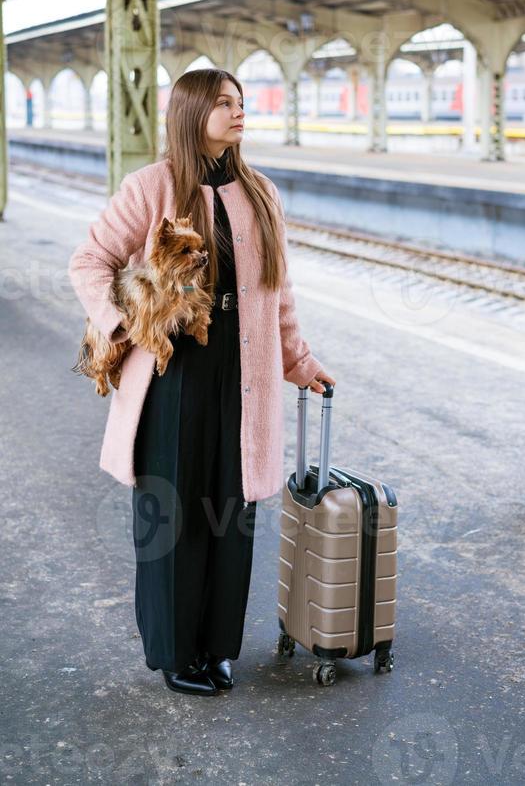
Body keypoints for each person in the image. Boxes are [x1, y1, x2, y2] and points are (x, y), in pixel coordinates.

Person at [68, 68, 336, 696]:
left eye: (241, 102)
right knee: (174, 514)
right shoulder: (151, 187)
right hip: (172, 376)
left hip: (243, 375)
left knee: (230, 513)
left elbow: (280, 294)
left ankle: (216, 649)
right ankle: (174, 653)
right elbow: (89, 261)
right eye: (223, 103)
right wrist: (126, 322)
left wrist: (300, 362)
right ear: (191, 113)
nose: (238, 112)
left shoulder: (260, 192)